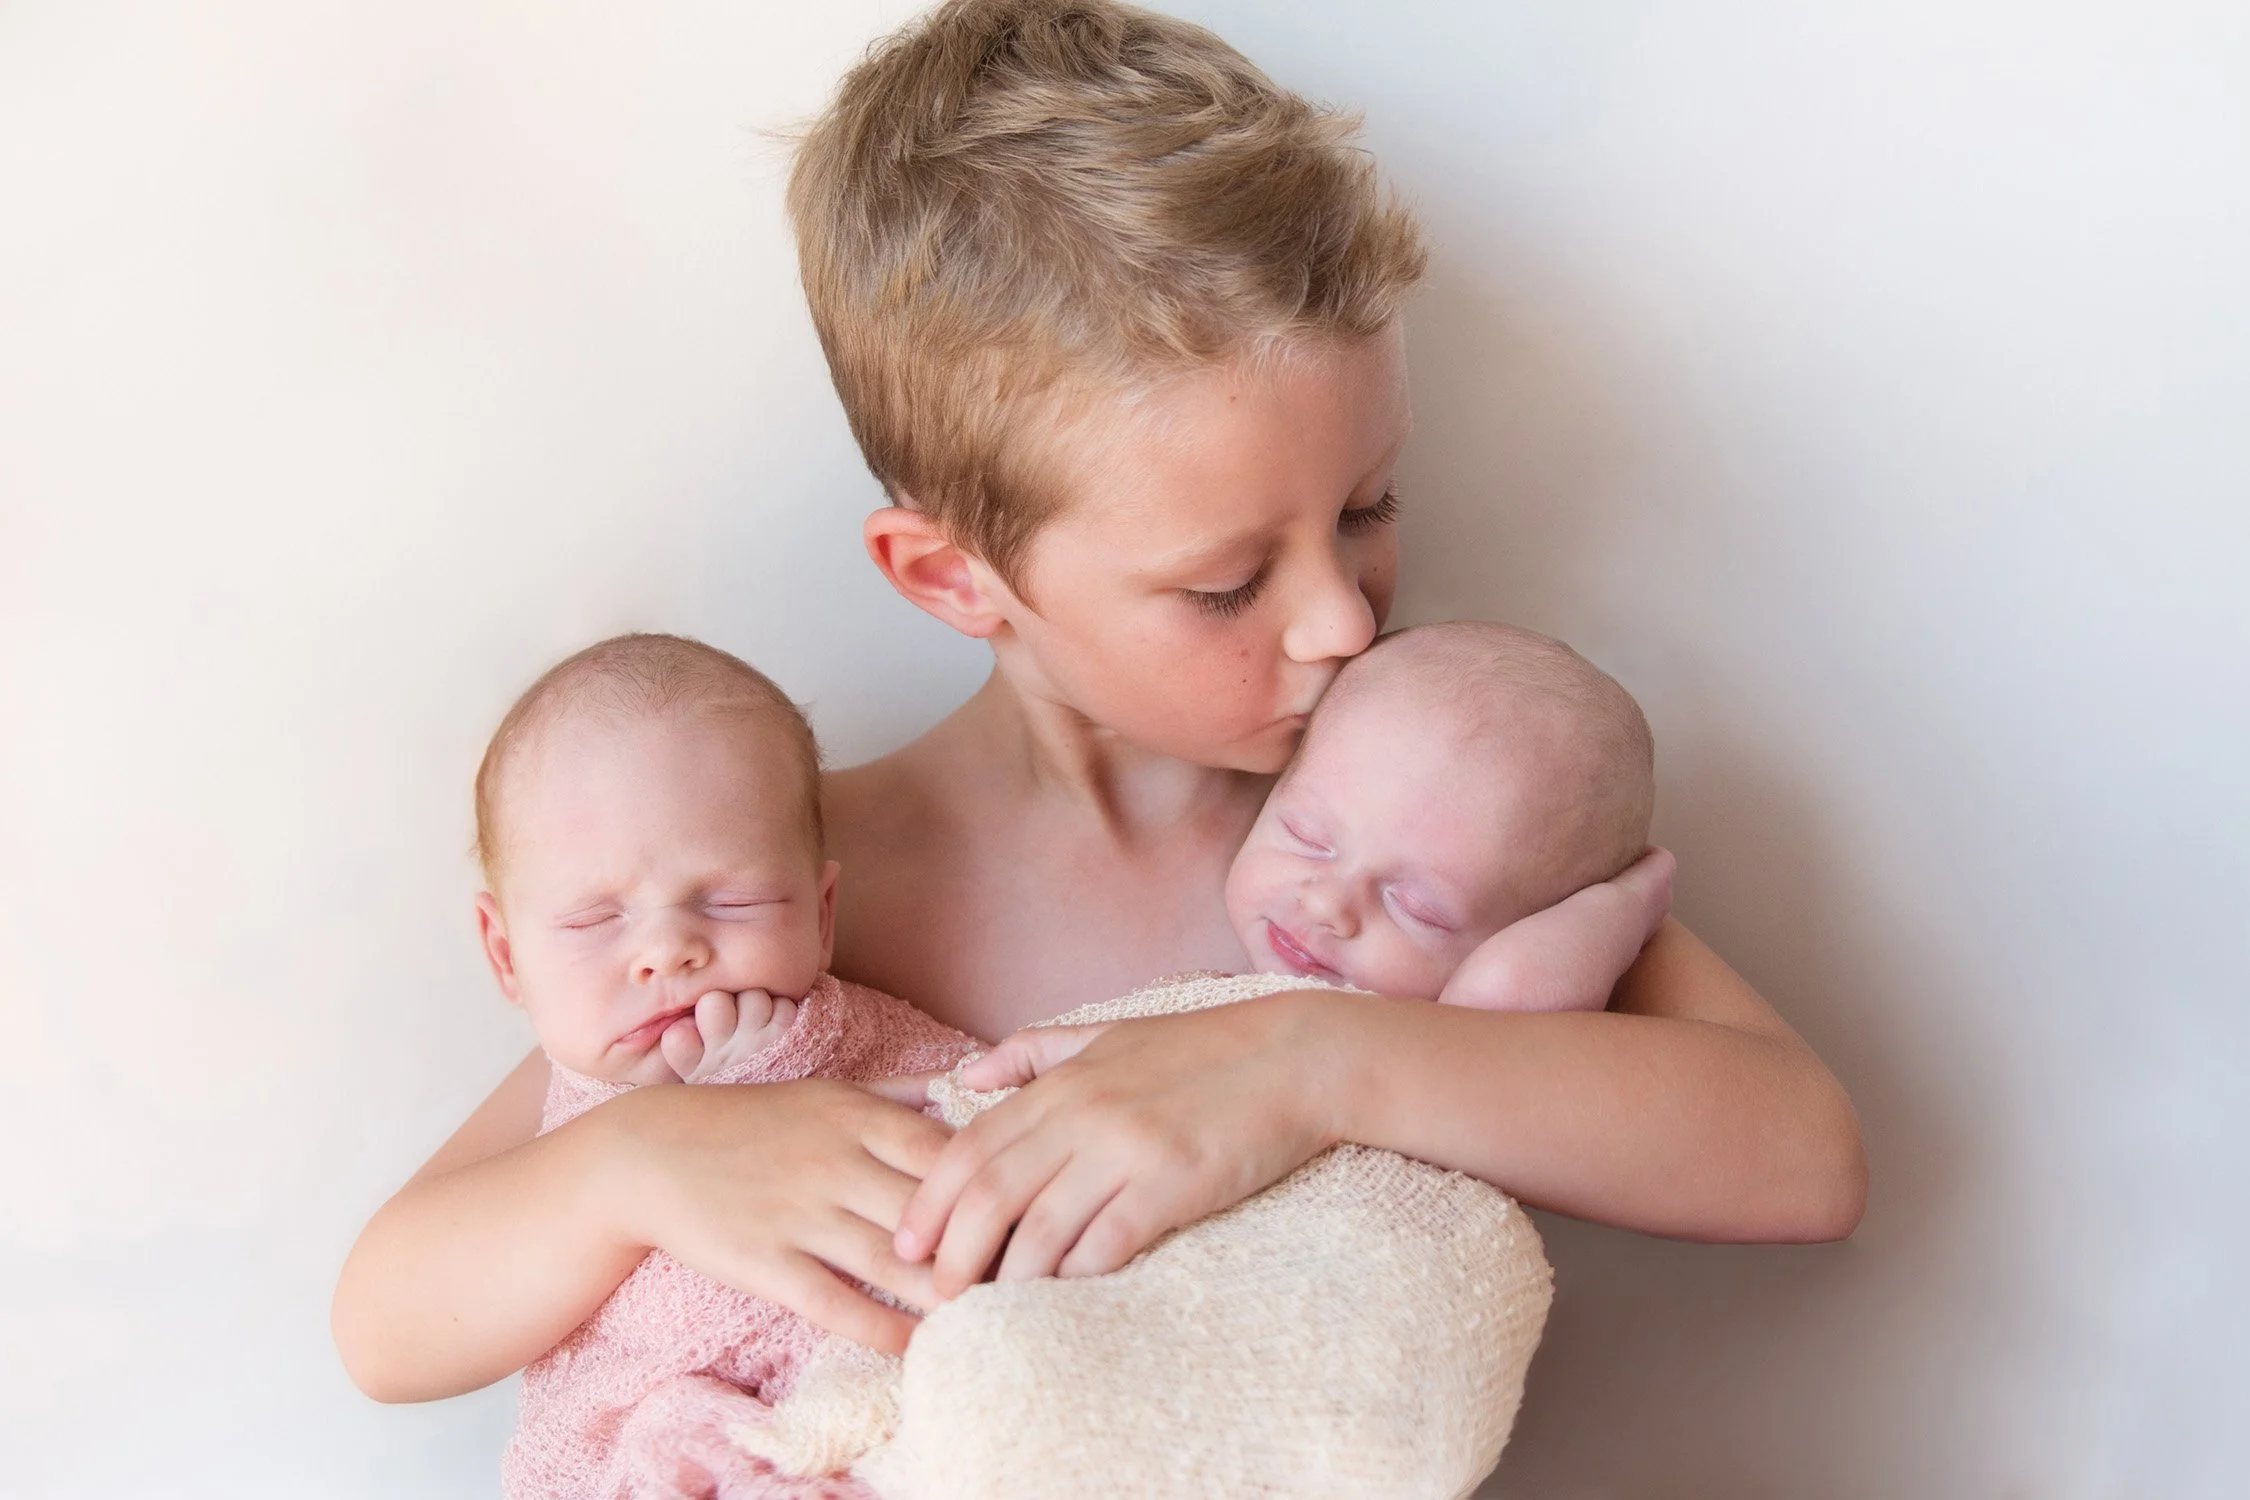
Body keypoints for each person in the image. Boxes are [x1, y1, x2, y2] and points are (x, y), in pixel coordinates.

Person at [333, 0, 1865, 1406]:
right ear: (950, 579)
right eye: (1221, 585)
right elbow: (387, 1324)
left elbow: (1798, 1152)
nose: (1339, 619)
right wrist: (634, 1163)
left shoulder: (1403, 819)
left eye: (1369, 504)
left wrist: (1307, 1063)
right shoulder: (791, 891)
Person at [462, 633, 975, 1498]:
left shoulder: (868, 1039)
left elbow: (981, 1118)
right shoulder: (542, 1154)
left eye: (731, 901)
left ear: (820, 914)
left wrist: (775, 1072)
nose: (668, 949)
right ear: (506, 957)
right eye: (594, 920)